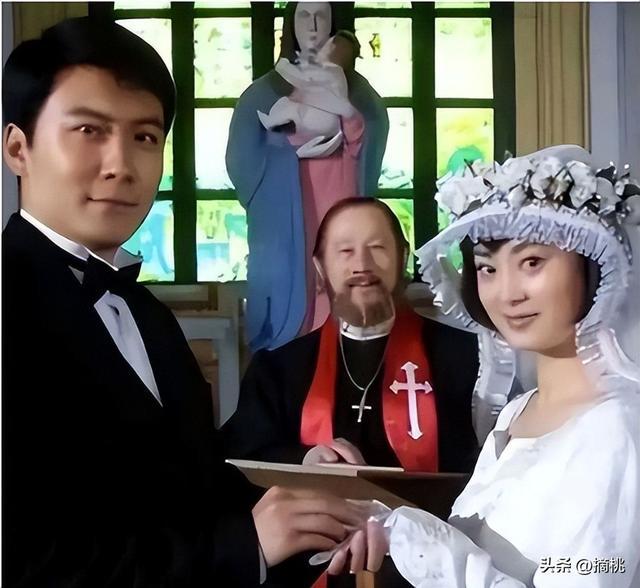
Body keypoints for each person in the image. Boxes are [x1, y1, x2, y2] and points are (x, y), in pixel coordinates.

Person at [2, 17, 369, 587]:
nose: (121, 165)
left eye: (145, 137)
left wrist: (304, 493)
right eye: (89, 130)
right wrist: (243, 545)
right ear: (18, 149)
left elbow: (194, 481)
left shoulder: (145, 314)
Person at [335, 146, 640, 586]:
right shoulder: (517, 410)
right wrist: (393, 528)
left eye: (532, 262)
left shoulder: (615, 429)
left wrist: (426, 546)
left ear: (591, 266)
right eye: (487, 268)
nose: (507, 294)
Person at [223, 197, 480, 475]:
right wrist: (303, 459)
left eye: (377, 248)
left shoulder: (467, 359)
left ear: (402, 258)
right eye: (346, 251)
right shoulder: (278, 371)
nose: (362, 265)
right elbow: (239, 459)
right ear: (320, 267)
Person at [226, 2, 389, 352]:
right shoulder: (263, 92)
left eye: (321, 16)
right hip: (287, 220)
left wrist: (348, 120)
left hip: (341, 203)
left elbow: (370, 142)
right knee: (294, 312)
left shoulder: (357, 91)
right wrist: (291, 155)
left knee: (342, 285)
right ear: (290, 24)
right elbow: (241, 163)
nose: (313, 25)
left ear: (334, 23)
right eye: (304, 15)